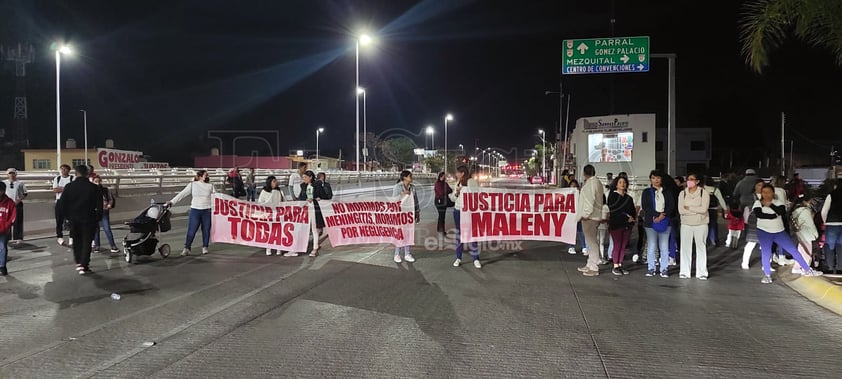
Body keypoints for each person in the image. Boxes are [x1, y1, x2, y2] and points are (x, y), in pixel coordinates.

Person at [754, 183, 822, 283]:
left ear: (773, 192)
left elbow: (781, 212)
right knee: (766, 252)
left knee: (793, 250)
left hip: (779, 232)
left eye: (769, 192)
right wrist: (773, 216)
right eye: (764, 192)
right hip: (764, 231)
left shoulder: (779, 202)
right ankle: (767, 275)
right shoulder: (757, 203)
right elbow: (759, 214)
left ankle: (807, 270)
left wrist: (770, 205)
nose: (766, 194)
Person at [59, 165, 103, 275]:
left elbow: (62, 204)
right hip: (89, 218)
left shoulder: (69, 187)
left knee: (77, 241)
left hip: (74, 219)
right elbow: (100, 205)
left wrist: (67, 217)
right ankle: (84, 264)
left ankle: (78, 261)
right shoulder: (94, 187)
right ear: (87, 174)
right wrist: (97, 218)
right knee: (87, 242)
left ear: (76, 173)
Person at [167, 170, 215, 256]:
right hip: (195, 210)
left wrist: (218, 208)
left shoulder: (210, 186)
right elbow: (182, 194)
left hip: (207, 210)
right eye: (205, 175)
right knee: (192, 230)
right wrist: (172, 202)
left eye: (207, 175)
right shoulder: (193, 185)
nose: (207, 177)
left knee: (206, 230)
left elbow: (216, 197)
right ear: (200, 176)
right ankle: (187, 248)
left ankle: (205, 247)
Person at [641, 170, 676, 278]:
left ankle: (664, 268)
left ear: (661, 179)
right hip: (650, 222)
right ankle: (651, 268)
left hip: (665, 222)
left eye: (658, 178)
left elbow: (671, 206)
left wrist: (663, 215)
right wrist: (656, 215)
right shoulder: (646, 192)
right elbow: (645, 206)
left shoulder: (667, 192)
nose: (656, 180)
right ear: (650, 179)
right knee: (651, 245)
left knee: (664, 246)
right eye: (653, 178)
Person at [678, 173, 711, 280]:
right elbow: (681, 210)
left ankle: (702, 272)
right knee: (685, 248)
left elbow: (703, 209)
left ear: (697, 181)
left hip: (701, 224)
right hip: (686, 224)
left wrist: (689, 208)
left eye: (692, 179)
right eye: (688, 179)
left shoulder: (704, 193)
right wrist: (695, 210)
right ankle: (684, 272)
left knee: (701, 248)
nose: (689, 181)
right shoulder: (682, 194)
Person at [576, 164, 604, 277]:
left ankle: (594, 267)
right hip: (594, 216)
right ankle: (590, 264)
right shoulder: (596, 183)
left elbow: (590, 200)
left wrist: (586, 214)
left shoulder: (591, 184)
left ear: (584, 173)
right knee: (590, 242)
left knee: (592, 242)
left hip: (590, 217)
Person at [451, 165, 481, 268]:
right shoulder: (457, 183)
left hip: (469, 211)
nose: (456, 174)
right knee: (459, 234)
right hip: (458, 211)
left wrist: (464, 191)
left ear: (462, 173)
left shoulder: (471, 182)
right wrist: (457, 193)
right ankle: (458, 258)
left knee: (472, 233)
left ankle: (476, 258)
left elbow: (476, 194)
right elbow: (453, 199)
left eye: (457, 172)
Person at [607, 176, 636, 275]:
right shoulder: (612, 196)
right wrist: (625, 218)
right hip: (616, 224)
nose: (622, 184)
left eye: (624, 182)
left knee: (623, 246)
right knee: (617, 244)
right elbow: (614, 211)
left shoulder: (629, 198)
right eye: (620, 182)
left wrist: (632, 218)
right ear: (616, 184)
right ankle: (615, 265)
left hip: (627, 225)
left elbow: (632, 210)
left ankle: (620, 264)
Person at [392, 170, 420, 263]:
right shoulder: (397, 187)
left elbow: (415, 201)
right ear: (405, 177)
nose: (412, 177)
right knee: (400, 233)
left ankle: (407, 253)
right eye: (410, 176)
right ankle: (397, 254)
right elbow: (394, 200)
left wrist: (417, 212)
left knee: (408, 233)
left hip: (409, 214)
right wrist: (402, 194)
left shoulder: (413, 188)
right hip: (399, 214)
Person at [297, 170, 327, 257]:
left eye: (305, 177)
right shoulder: (303, 186)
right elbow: (301, 197)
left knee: (314, 229)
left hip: (314, 209)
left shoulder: (317, 185)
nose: (304, 179)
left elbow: (325, 195)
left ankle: (315, 248)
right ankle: (301, 247)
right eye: (303, 177)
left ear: (310, 177)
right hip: (305, 210)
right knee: (303, 228)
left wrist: (318, 198)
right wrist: (305, 200)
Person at [258, 175, 286, 256]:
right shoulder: (264, 192)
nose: (276, 182)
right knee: (269, 231)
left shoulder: (280, 191)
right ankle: (269, 248)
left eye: (276, 181)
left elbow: (284, 201)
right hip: (268, 214)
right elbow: (260, 202)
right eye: (274, 181)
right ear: (269, 182)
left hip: (278, 214)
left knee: (278, 231)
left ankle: (278, 248)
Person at [791, 195, 818, 275]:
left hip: (800, 233)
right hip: (807, 234)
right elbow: (810, 224)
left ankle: (797, 267)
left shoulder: (795, 211)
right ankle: (805, 269)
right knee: (807, 252)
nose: (812, 203)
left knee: (801, 251)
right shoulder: (805, 211)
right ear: (804, 202)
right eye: (810, 201)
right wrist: (815, 234)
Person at [91, 176, 119, 253]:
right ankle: (97, 246)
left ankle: (113, 245)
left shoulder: (105, 190)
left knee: (107, 229)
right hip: (95, 211)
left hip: (104, 211)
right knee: (96, 230)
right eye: (96, 181)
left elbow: (110, 199)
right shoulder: (91, 191)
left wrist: (109, 205)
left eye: (99, 181)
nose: (98, 183)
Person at [741, 179, 765, 269]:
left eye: (762, 185)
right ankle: (745, 262)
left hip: (764, 220)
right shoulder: (750, 197)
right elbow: (743, 205)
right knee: (751, 242)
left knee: (765, 243)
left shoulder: (766, 195)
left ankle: (765, 264)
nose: (760, 187)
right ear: (755, 186)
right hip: (753, 220)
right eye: (758, 185)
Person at [820, 180, 842, 274]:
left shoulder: (831, 195)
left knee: (829, 246)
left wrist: (826, 221)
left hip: (832, 224)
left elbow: (824, 211)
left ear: (835, 186)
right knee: (841, 247)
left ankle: (829, 268)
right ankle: (840, 268)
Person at [2, 168, 27, 244]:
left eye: (13, 173)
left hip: (17, 204)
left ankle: (18, 237)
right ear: (7, 174)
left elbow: (25, 193)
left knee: (18, 221)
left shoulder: (20, 183)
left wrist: (18, 200)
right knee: (6, 221)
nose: (11, 175)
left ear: (15, 174)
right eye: (10, 173)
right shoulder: (3, 183)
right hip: (6, 204)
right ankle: (7, 237)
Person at [54, 164, 75, 246]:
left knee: (71, 220)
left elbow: (73, 189)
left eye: (65, 169)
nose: (63, 171)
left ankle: (71, 237)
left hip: (70, 202)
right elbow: (55, 189)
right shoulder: (57, 178)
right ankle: (59, 237)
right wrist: (66, 188)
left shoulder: (72, 178)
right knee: (59, 220)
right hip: (59, 201)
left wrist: (62, 188)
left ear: (68, 170)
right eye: (62, 169)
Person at [703, 176, 727, 246]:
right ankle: (716, 240)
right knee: (714, 225)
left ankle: (706, 240)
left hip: (704, 210)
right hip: (713, 209)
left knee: (706, 225)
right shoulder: (716, 190)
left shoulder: (703, 189)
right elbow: (721, 200)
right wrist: (725, 209)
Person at [0, 182, 16, 276]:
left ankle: (2, 267)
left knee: (2, 248)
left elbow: (13, 217)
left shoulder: (9, 202)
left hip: (3, 231)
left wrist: (6, 226)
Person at [433, 172, 453, 239]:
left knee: (442, 216)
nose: (444, 178)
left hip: (444, 201)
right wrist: (446, 191)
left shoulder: (445, 184)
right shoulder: (437, 184)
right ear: (440, 176)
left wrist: (446, 191)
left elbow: (450, 190)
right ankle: (441, 230)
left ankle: (440, 229)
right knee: (441, 216)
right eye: (443, 176)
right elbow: (441, 192)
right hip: (439, 202)